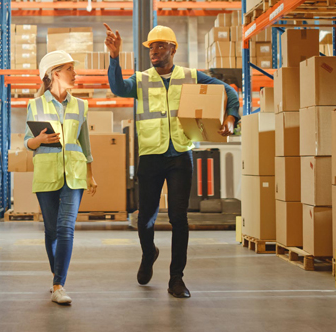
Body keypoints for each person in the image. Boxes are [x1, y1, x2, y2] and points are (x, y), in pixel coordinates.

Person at [103, 24, 240, 298]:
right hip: (151, 156)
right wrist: (114, 57)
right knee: (146, 218)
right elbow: (117, 87)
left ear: (173, 49)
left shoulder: (191, 76)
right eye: (151, 47)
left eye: (160, 46)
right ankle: (148, 253)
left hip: (180, 155)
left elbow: (230, 91)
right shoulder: (141, 80)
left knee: (179, 218)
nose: (154, 51)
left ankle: (176, 279)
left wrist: (230, 117)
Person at [24, 50, 98, 305]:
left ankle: (59, 285)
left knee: (66, 228)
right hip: (47, 175)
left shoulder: (81, 105)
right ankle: (56, 277)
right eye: (70, 69)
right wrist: (40, 139)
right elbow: (28, 143)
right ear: (55, 73)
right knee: (52, 230)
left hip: (74, 175)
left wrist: (90, 175)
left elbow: (85, 144)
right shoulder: (35, 104)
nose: (75, 74)